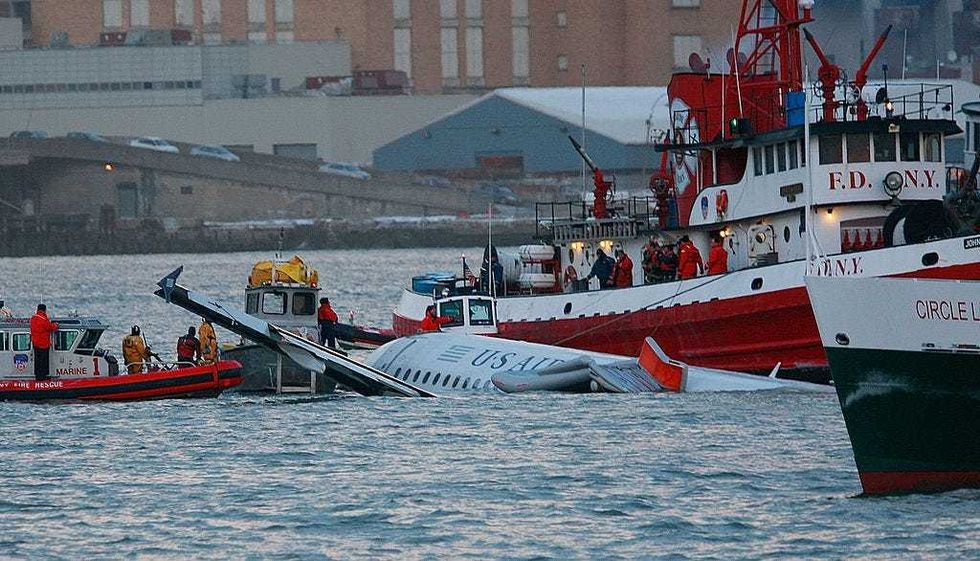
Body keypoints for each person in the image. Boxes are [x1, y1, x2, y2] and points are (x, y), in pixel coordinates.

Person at [29, 304, 58, 381]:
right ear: (45, 310)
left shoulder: (33, 318)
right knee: (44, 361)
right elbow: (50, 327)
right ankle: (43, 376)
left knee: (37, 361)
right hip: (43, 344)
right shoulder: (44, 319)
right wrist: (56, 325)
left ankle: (38, 376)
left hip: (35, 343)